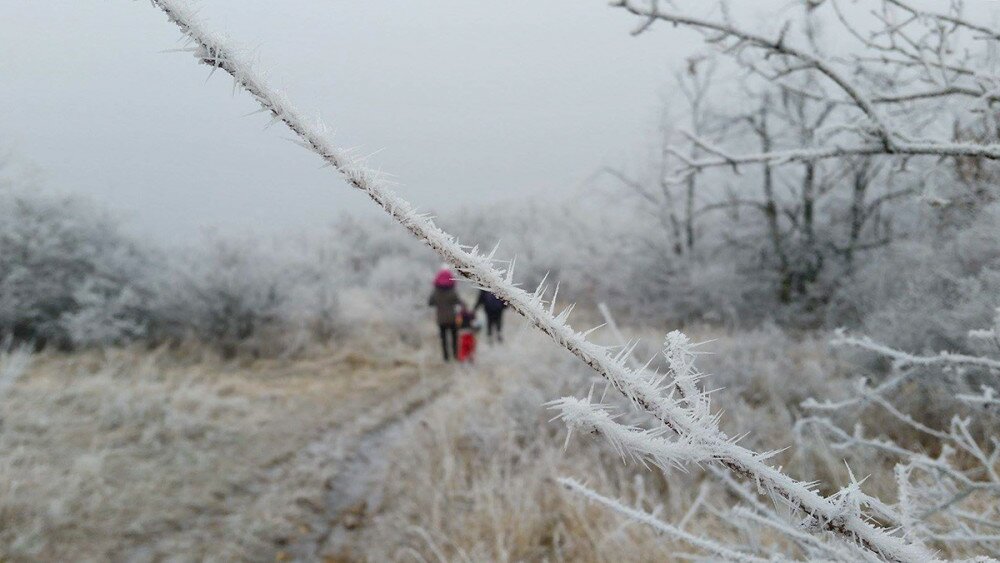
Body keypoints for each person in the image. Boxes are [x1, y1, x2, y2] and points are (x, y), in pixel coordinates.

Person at [428, 265, 462, 361]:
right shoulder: (452, 291)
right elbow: (458, 302)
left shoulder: (436, 292)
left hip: (441, 319)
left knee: (444, 339)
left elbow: (430, 303)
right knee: (454, 338)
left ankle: (446, 357)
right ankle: (455, 355)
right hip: (452, 318)